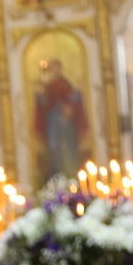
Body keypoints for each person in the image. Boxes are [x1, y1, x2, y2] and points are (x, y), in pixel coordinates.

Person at [34, 58, 90, 186]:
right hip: (52, 125)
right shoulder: (48, 87)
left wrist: (69, 106)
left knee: (66, 149)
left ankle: (71, 174)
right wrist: (38, 96)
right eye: (53, 69)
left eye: (56, 69)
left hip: (65, 125)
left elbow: (72, 102)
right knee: (53, 149)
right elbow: (45, 104)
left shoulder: (66, 85)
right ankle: (56, 176)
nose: (55, 72)